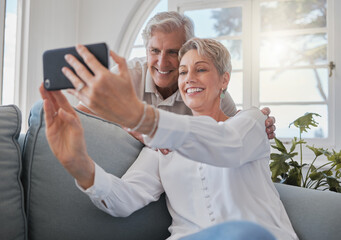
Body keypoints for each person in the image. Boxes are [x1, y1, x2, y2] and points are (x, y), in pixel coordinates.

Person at [40, 38, 298, 240]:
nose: (189, 79)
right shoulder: (158, 148)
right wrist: (80, 164)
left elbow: (226, 145)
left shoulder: (250, 122)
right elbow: (125, 198)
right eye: (183, 72)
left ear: (224, 80)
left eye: (201, 69)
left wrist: (143, 118)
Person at [76, 11, 276, 140]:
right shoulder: (126, 75)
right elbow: (81, 114)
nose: (162, 63)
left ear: (187, 52)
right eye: (154, 51)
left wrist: (256, 126)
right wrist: (128, 125)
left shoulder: (203, 87)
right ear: (146, 50)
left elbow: (233, 128)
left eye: (173, 52)